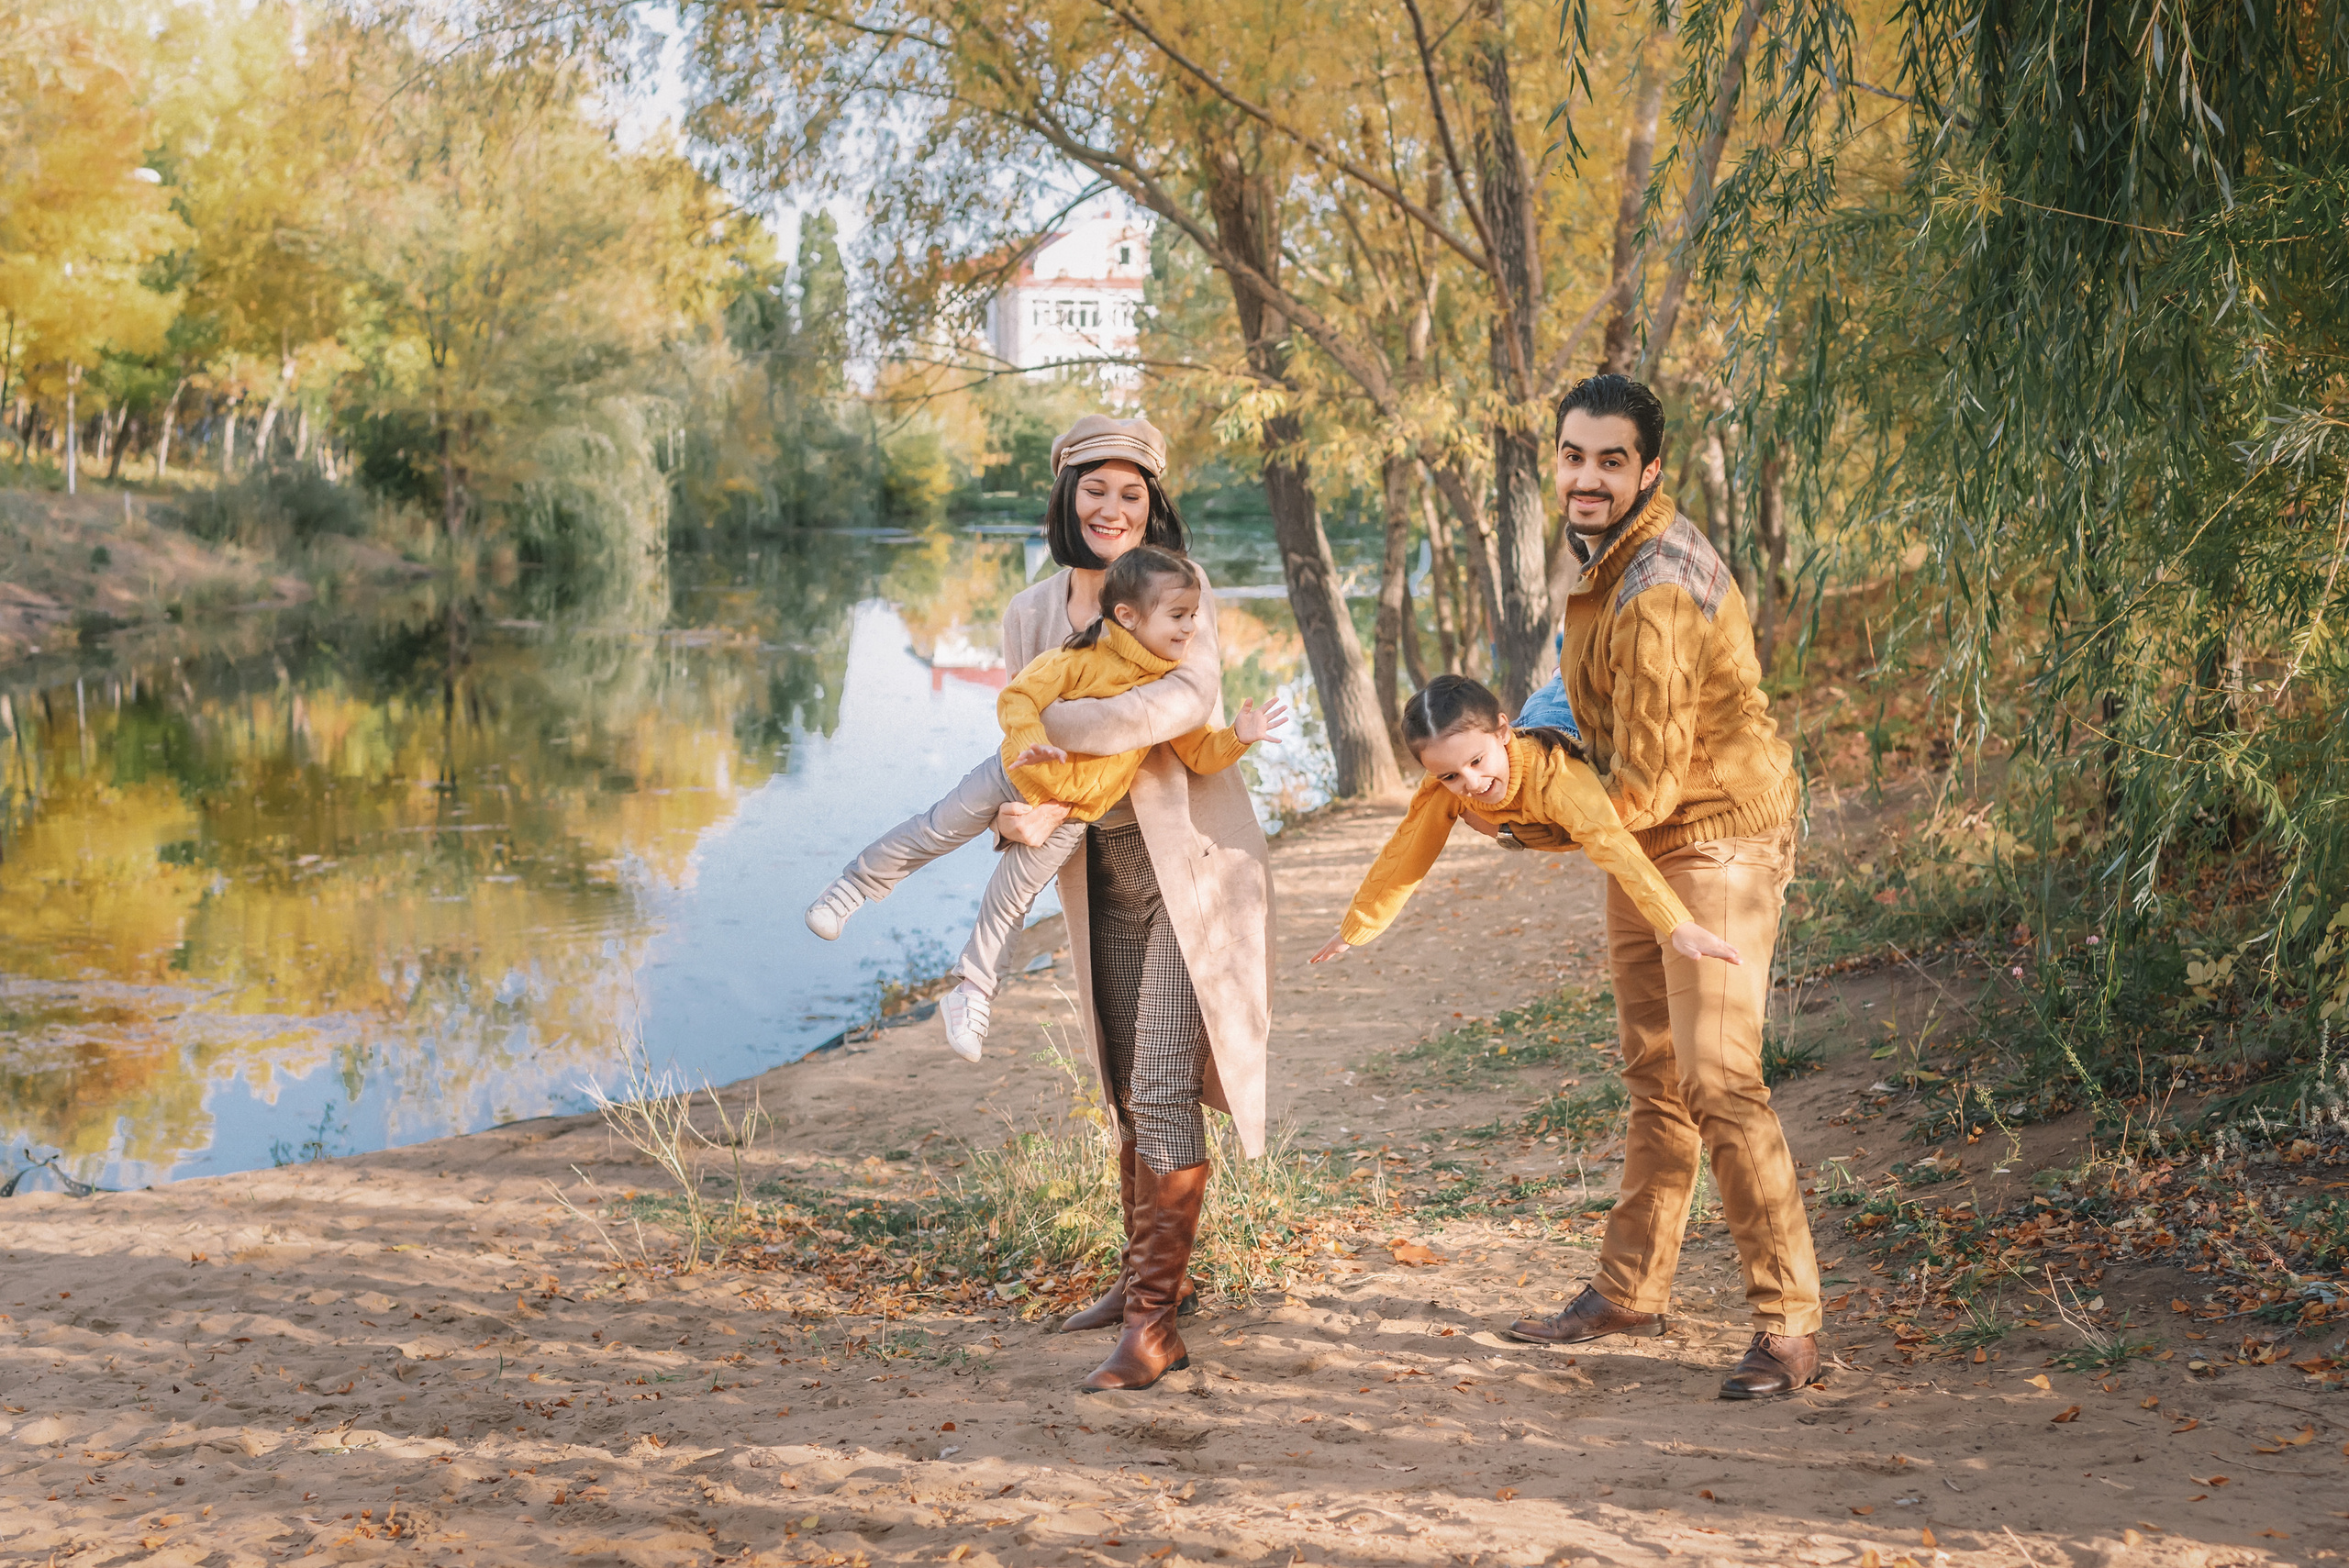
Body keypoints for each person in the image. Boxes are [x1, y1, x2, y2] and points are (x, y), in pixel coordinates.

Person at [1493, 373, 1819, 1400]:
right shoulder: (1605, 557)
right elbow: (1575, 689)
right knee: (1653, 1067)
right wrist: (1516, 742)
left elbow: (1646, 781)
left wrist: (1519, 816)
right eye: (1573, 456)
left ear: (1649, 471)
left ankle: (1789, 1326)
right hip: (1648, 839)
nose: (1586, 477)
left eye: (1609, 461)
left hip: (1715, 836)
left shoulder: (1658, 586)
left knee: (1718, 1075)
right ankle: (1632, 1287)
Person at [802, 543, 1286, 1062]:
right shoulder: (1078, 657)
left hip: (1070, 817)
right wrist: (1033, 739)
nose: (1191, 628)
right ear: (1128, 615)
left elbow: (1198, 755)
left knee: (1012, 898)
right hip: (1013, 774)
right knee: (937, 829)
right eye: (1178, 616)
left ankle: (972, 992)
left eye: (1193, 615)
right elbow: (1017, 698)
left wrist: (1238, 737)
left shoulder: (1167, 688)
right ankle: (852, 887)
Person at [1307, 674, 1741, 968]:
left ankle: (1566, 658)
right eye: (1450, 775)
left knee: (1574, 681)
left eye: (1476, 762)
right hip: (1535, 714)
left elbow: (1613, 845)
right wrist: (1356, 929)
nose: (1470, 782)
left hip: (1572, 712)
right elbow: (1405, 855)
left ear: (1500, 733)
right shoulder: (1442, 790)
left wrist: (1676, 923)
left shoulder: (1558, 780)